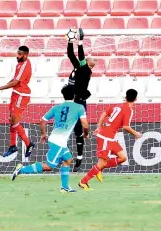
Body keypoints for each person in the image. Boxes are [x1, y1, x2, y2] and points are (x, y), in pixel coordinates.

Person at [12, 85, 89, 193]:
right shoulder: (79, 107)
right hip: (59, 142)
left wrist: (43, 134)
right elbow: (85, 125)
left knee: (68, 159)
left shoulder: (56, 107)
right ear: (74, 96)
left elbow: (42, 121)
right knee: (49, 166)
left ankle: (65, 187)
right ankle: (21, 170)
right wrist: (86, 134)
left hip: (55, 138)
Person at [79, 89, 141, 190]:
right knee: (101, 163)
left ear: (125, 97)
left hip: (110, 138)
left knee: (123, 158)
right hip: (105, 138)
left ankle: (99, 169)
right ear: (136, 99)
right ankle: (83, 182)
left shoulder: (117, 105)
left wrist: (99, 126)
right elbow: (126, 127)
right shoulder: (129, 110)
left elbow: (104, 113)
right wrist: (136, 134)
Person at [0, 46, 35, 158]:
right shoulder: (19, 63)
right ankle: (13, 146)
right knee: (11, 120)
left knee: (15, 121)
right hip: (16, 93)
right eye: (17, 53)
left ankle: (29, 144)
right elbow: (14, 80)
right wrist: (2, 86)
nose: (17, 56)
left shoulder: (25, 66)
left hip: (22, 95)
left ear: (25, 55)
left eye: (19, 54)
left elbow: (15, 82)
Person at [66, 28, 96, 172]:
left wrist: (80, 42)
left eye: (89, 59)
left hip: (79, 103)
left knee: (78, 131)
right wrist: (70, 41)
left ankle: (79, 157)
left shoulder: (86, 70)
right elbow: (71, 54)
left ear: (89, 64)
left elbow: (81, 55)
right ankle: (69, 156)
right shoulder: (78, 68)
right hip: (70, 102)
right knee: (68, 129)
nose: (88, 58)